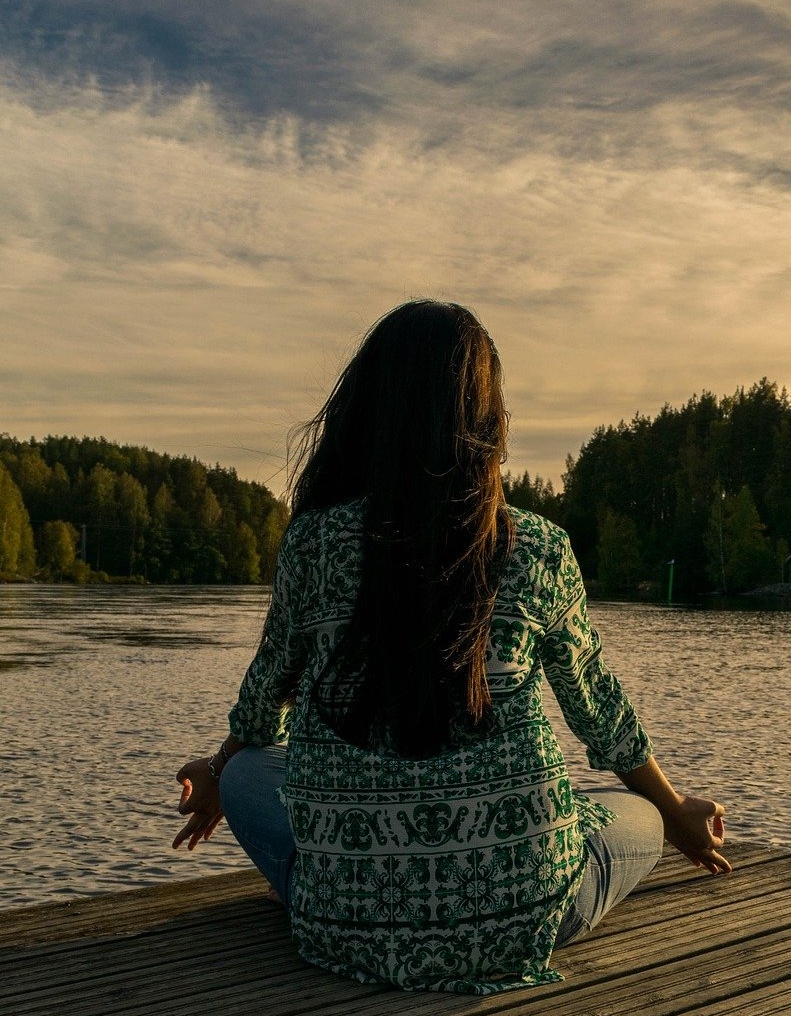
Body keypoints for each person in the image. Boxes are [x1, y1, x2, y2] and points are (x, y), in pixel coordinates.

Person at [173, 300, 729, 994]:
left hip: (345, 926)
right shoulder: (540, 547)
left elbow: (263, 704)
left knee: (253, 770)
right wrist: (677, 813)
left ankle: (340, 885)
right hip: (523, 916)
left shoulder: (313, 542)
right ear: (488, 421)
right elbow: (601, 715)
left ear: (368, 412)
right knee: (639, 813)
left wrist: (222, 767)